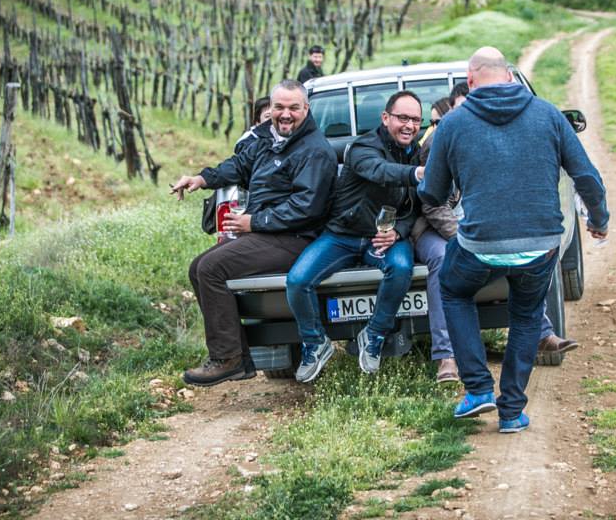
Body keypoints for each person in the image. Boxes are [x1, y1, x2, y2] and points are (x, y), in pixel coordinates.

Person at [419, 47, 608, 433]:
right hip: (541, 246)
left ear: (470, 81)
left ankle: (477, 389)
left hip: (480, 245)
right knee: (525, 315)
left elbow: (433, 194)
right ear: (508, 76)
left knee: (453, 291)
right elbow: (586, 175)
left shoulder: (452, 125)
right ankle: (511, 413)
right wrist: (599, 220)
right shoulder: (549, 114)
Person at [170, 80, 338, 386]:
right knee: (198, 268)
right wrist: (202, 179)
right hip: (267, 234)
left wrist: (253, 222)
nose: (285, 114)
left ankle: (228, 359)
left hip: (295, 239)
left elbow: (306, 208)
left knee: (211, 268)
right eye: (279, 107)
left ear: (306, 109)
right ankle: (235, 356)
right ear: (270, 109)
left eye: (293, 108)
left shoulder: (315, 151)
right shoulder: (267, 139)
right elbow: (238, 166)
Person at [413, 89, 578, 383]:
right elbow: (432, 204)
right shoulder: (441, 140)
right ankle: (446, 357)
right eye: (463, 109)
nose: (473, 116)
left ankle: (542, 333)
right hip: (442, 228)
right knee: (443, 261)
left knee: (519, 251)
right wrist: (463, 240)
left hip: (481, 230)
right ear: (452, 111)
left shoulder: (500, 142)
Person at [286, 91, 426, 383]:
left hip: (382, 238)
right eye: (403, 118)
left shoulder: (415, 152)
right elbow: (380, 171)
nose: (409, 125)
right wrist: (416, 174)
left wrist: (398, 231)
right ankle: (314, 343)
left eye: (415, 120)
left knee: (401, 268)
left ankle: (374, 334)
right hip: (342, 236)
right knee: (298, 280)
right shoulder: (362, 147)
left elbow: (415, 208)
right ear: (385, 118)